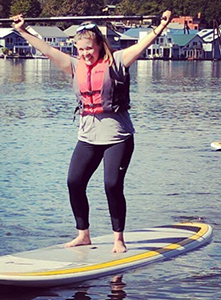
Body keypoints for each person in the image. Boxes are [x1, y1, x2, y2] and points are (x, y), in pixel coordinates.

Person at [12, 10, 172, 253]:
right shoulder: (75, 66)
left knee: (111, 185)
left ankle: (118, 238)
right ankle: (83, 234)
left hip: (117, 136)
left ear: (99, 45)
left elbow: (142, 45)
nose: (85, 53)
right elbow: (46, 49)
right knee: (74, 182)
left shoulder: (117, 61)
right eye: (81, 49)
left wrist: (161, 26)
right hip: (88, 136)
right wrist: (22, 30)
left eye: (89, 48)